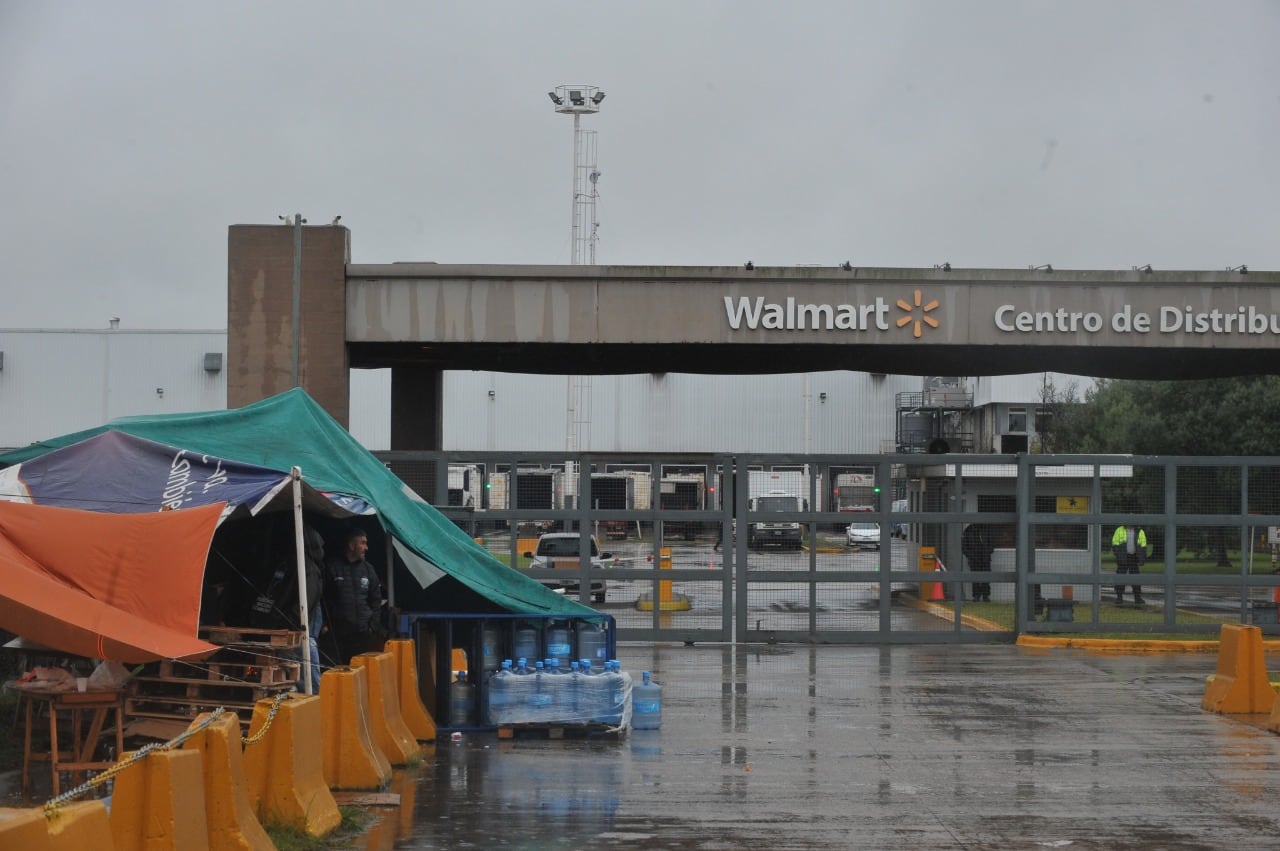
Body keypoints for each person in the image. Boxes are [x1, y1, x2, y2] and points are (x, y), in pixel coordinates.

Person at [324, 527, 385, 662]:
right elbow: (323, 597)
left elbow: (376, 600)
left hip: (362, 633)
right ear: (352, 545)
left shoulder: (368, 569)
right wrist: (325, 624)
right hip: (338, 634)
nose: (366, 547)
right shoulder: (332, 566)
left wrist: (373, 626)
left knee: (360, 672)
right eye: (362, 543)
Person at [1111, 524, 1148, 605]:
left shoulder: (1140, 531)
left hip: (1134, 557)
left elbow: (1143, 545)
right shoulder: (1119, 530)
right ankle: (1119, 598)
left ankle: (1137, 598)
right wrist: (1119, 555)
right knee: (1120, 577)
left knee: (1135, 578)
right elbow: (1114, 543)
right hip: (1123, 557)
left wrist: (1141, 558)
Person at [961, 522, 995, 602]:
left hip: (985, 558)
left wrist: (987, 552)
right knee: (975, 578)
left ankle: (985, 596)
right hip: (974, 559)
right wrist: (970, 556)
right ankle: (976, 595)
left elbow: (991, 543)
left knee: (986, 578)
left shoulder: (986, 530)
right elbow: (964, 547)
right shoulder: (968, 531)